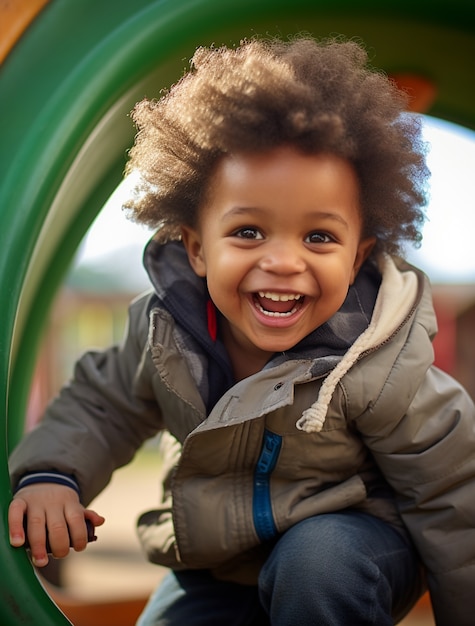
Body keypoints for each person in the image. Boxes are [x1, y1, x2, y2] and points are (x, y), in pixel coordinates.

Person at [7, 36, 475, 626]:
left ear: (358, 258)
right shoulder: (166, 334)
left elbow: (456, 498)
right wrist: (54, 475)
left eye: (319, 237)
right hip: (221, 564)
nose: (282, 261)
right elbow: (102, 405)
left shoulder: (379, 364)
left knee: (317, 565)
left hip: (354, 548)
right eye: (249, 232)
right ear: (197, 249)